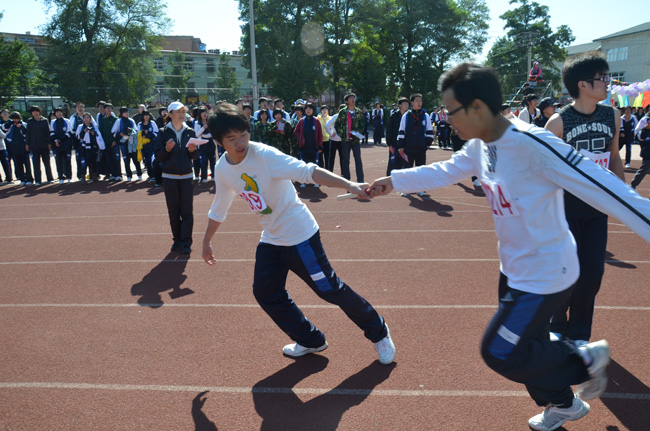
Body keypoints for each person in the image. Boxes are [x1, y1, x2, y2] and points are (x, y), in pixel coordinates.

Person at [369, 62, 650, 431]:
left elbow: (609, 189)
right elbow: (446, 170)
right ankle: (564, 403)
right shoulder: (480, 145)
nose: (447, 119)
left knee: (500, 350)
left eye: (452, 111)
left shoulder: (533, 144)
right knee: (526, 346)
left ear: (478, 109)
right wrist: (393, 180)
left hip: (547, 272)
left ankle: (583, 360)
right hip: (514, 269)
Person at [202, 103, 396, 364]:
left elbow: (307, 171)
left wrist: (348, 183)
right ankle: (311, 340)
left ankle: (379, 331)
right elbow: (219, 206)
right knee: (266, 292)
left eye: (244, 134)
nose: (241, 143)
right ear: (218, 141)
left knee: (329, 289)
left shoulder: (264, 156)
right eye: (232, 138)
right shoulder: (223, 169)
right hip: (271, 238)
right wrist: (206, 242)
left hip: (300, 235)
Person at [545, 51, 625, 348]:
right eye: (602, 78)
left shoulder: (612, 115)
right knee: (564, 270)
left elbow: (614, 156)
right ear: (582, 84)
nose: (607, 82)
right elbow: (542, 168)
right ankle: (557, 322)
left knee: (592, 272)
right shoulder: (557, 122)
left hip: (596, 209)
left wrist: (623, 195)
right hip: (563, 210)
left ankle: (579, 331)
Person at [154, 101, 199, 254]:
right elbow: (158, 156)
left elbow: (194, 156)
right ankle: (177, 240)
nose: (181, 115)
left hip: (186, 176)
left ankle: (186, 242)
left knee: (186, 211)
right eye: (177, 112)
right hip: (169, 177)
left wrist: (193, 151)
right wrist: (167, 149)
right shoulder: (162, 132)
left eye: (183, 112)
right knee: (174, 211)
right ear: (170, 114)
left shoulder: (190, 132)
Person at [396, 93, 434, 197]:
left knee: (420, 169)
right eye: (417, 101)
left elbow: (429, 132)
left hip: (421, 148)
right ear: (412, 103)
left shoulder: (425, 116)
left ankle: (420, 189)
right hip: (408, 148)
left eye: (420, 101)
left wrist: (426, 144)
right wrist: (401, 146)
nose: (419, 103)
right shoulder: (406, 116)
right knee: (408, 169)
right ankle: (407, 189)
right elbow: (401, 131)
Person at [334, 93, 365, 182]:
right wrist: (342, 134)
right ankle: (347, 180)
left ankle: (360, 180)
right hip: (345, 140)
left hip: (355, 140)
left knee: (358, 160)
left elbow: (362, 124)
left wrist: (358, 132)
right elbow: (337, 124)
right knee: (346, 161)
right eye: (351, 98)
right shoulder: (342, 112)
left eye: (354, 98)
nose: (353, 100)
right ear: (347, 101)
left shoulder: (358, 111)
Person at [293, 102, 323, 187]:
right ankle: (304, 182)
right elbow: (296, 131)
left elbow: (320, 134)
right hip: (304, 146)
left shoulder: (316, 121)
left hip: (314, 146)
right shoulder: (302, 121)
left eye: (310, 109)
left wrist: (320, 145)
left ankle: (315, 181)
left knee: (314, 165)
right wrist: (301, 138)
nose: (308, 110)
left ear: (313, 110)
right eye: (306, 109)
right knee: (304, 164)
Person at [26, 106, 54, 185]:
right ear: (32, 113)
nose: (35, 113)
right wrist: (27, 144)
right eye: (33, 111)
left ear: (39, 112)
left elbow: (48, 133)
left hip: (44, 145)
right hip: (34, 145)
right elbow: (28, 134)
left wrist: (49, 143)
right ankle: (38, 180)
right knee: (36, 164)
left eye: (37, 111)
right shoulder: (30, 121)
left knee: (47, 163)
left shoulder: (44, 120)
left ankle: (50, 178)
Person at [111, 107, 141, 181]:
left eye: (127, 112)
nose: (127, 113)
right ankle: (129, 176)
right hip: (124, 144)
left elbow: (136, 130)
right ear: (121, 113)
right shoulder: (118, 121)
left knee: (135, 160)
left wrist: (131, 134)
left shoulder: (131, 120)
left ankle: (139, 174)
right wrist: (120, 134)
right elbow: (113, 131)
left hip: (132, 143)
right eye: (125, 112)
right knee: (126, 160)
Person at [75, 112, 105, 182]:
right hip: (84, 148)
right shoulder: (80, 127)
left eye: (88, 117)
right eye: (85, 117)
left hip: (92, 147)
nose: (86, 119)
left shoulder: (94, 127)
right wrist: (83, 132)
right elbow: (77, 137)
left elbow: (98, 136)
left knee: (93, 162)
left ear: (90, 119)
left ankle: (94, 176)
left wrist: (93, 133)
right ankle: (83, 177)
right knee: (83, 163)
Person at [6, 112, 33, 185]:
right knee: (18, 164)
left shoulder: (23, 124)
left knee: (27, 163)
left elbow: (27, 134)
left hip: (23, 146)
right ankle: (22, 179)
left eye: (16, 118)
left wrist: (21, 127)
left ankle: (29, 178)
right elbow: (4, 129)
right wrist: (10, 123)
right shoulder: (10, 125)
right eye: (13, 118)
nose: (15, 120)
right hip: (14, 147)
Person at [49, 107, 73, 183]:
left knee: (67, 161)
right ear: (55, 114)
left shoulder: (67, 121)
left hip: (66, 144)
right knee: (58, 161)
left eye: (60, 112)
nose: (59, 114)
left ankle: (69, 177)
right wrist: (56, 140)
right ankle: (61, 177)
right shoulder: (53, 122)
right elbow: (52, 132)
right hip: (56, 145)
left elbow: (69, 132)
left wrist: (61, 139)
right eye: (57, 112)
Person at [386, 97, 409, 175]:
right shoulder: (394, 116)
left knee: (403, 163)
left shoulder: (408, 116)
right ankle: (388, 180)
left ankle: (400, 181)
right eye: (404, 104)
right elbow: (389, 130)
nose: (406, 106)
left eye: (407, 104)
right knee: (392, 163)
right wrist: (389, 144)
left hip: (405, 144)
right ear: (400, 105)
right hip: (394, 144)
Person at [194, 107, 217, 184]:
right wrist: (203, 128)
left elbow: (214, 132)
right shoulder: (197, 123)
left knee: (212, 161)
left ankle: (214, 176)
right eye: (202, 113)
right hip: (202, 144)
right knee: (204, 161)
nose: (204, 114)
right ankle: (204, 177)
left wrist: (208, 135)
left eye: (205, 112)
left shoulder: (211, 122)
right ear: (200, 114)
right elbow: (196, 134)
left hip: (211, 144)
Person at [138, 110, 159, 181]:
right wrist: (143, 133)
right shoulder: (140, 124)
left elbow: (156, 132)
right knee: (146, 160)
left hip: (152, 144)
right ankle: (150, 175)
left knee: (151, 159)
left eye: (148, 115)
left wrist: (148, 134)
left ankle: (154, 175)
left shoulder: (152, 123)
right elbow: (138, 134)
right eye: (145, 115)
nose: (146, 117)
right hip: (144, 145)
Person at [99, 103, 119, 180]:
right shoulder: (102, 120)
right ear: (104, 109)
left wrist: (115, 141)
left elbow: (117, 131)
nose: (108, 109)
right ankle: (112, 175)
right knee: (108, 159)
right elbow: (101, 132)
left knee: (115, 159)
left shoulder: (115, 119)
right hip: (105, 143)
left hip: (114, 143)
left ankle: (118, 175)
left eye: (110, 108)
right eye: (107, 108)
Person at [630, 120, 650, 191]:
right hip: (648, 152)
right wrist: (646, 129)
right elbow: (639, 137)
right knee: (644, 170)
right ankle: (633, 185)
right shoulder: (645, 122)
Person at [317, 105, 331, 169]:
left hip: (328, 140)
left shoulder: (330, 118)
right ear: (320, 111)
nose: (324, 111)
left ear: (328, 111)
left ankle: (327, 170)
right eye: (323, 109)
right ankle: (321, 170)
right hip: (320, 141)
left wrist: (325, 120)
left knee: (327, 156)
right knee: (320, 156)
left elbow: (331, 128)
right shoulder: (317, 118)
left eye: (326, 110)